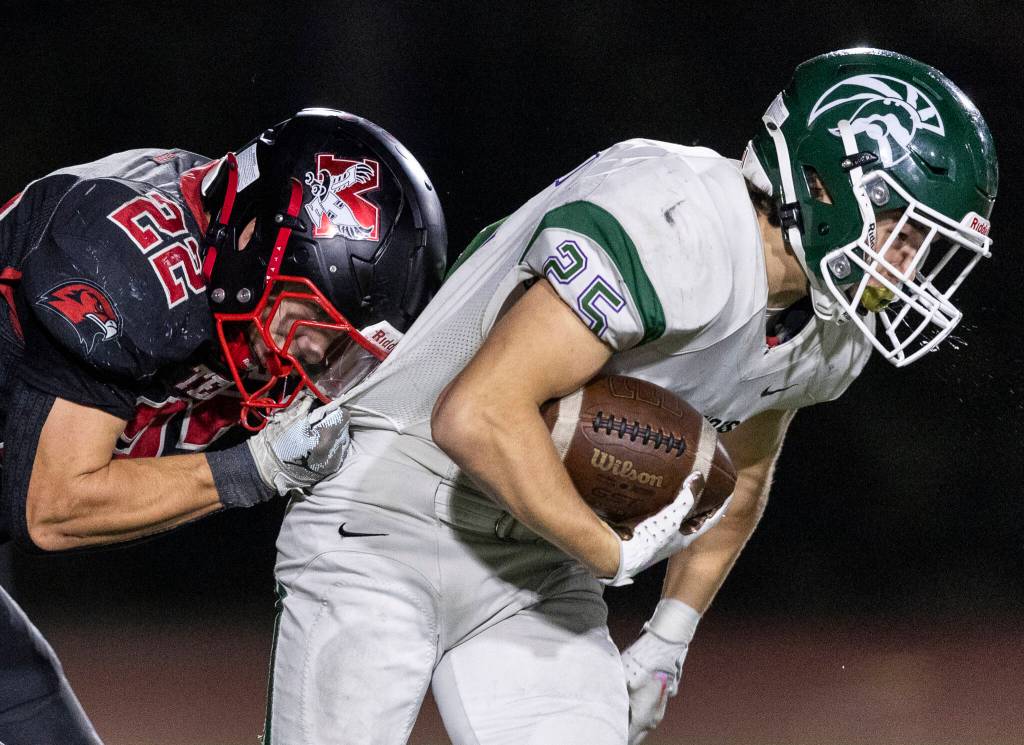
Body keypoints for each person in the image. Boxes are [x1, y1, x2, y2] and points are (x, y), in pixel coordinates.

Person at [265, 49, 997, 745]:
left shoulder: (832, 331)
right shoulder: (676, 221)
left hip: (536, 561)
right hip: (389, 508)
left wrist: (668, 639)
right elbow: (476, 414)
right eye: (900, 230)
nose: (909, 267)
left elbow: (737, 469)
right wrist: (609, 553)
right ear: (825, 182)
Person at [0, 108, 446, 745]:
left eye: (341, 346)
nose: (311, 356)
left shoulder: (232, 259)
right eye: (309, 318)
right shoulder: (132, 260)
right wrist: (254, 469)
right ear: (254, 238)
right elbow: (52, 506)